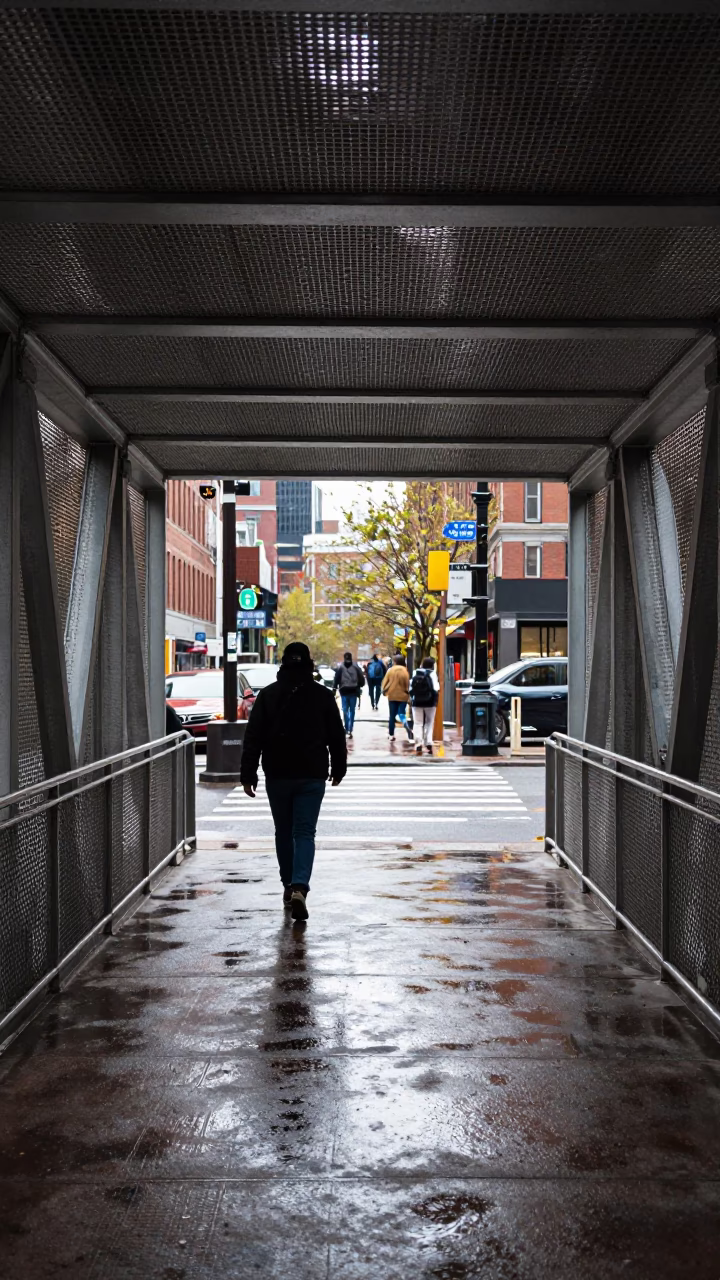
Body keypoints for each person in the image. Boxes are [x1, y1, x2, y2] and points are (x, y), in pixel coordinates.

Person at [240, 642, 347, 921]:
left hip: (277, 773)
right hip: (312, 773)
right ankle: (300, 885)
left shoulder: (268, 696)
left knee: (283, 831)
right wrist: (339, 767)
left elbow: (253, 738)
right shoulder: (323, 696)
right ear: (310, 664)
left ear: (283, 664)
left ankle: (288, 885)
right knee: (305, 832)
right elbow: (337, 735)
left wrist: (248, 773)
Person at [409, 657, 441, 755]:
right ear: (432, 665)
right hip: (430, 701)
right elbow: (436, 688)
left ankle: (418, 743)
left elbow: (410, 687)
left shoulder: (415, 672)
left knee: (418, 723)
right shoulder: (432, 674)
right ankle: (428, 742)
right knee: (429, 722)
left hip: (417, 701)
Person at [332, 651, 365, 738]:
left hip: (343, 691)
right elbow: (361, 678)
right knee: (352, 710)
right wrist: (360, 685)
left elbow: (336, 678)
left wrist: (334, 689)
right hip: (353, 691)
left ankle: (347, 728)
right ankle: (350, 728)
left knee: (345, 710)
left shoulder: (341, 667)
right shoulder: (356, 666)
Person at [381, 654, 410, 741]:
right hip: (403, 696)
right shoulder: (405, 671)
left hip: (392, 695)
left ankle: (391, 734)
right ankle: (406, 724)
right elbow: (407, 684)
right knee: (401, 713)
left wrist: (384, 690)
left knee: (392, 715)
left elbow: (385, 682)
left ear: (395, 661)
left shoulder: (391, 670)